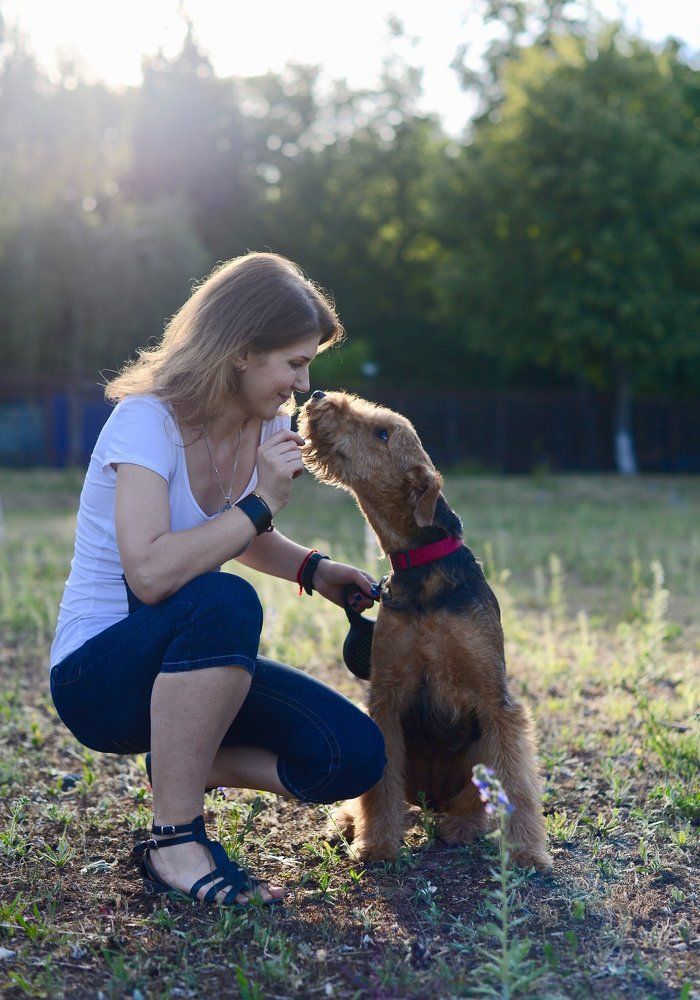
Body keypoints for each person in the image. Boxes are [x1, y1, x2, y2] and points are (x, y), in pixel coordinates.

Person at [49, 252, 386, 908]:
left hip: (186, 665)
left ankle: (179, 765)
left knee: (352, 757)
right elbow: (151, 574)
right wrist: (261, 501)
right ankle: (174, 840)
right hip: (100, 677)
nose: (303, 381)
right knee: (223, 599)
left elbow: (237, 534)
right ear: (241, 350)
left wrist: (314, 570)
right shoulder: (147, 421)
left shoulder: (265, 424)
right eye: (293, 362)